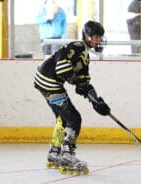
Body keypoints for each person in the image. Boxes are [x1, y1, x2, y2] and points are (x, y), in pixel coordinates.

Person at [34, 21, 111, 174]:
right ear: (87, 37)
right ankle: (67, 156)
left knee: (63, 118)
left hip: (45, 80)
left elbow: (83, 83)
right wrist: (75, 81)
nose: (99, 40)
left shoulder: (85, 56)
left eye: (100, 38)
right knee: (74, 119)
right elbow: (62, 67)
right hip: (49, 81)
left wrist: (96, 100)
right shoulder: (77, 46)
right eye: (96, 37)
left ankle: (54, 153)